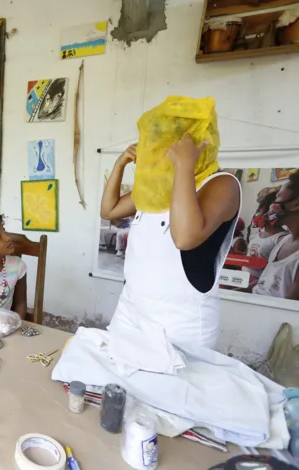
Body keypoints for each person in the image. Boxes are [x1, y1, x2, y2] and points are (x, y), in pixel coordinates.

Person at [100, 101, 241, 350]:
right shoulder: (155, 188)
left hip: (181, 323)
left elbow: (185, 238)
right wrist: (119, 165)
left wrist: (184, 165)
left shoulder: (222, 184)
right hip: (131, 309)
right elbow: (109, 211)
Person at [253, 171, 299, 300]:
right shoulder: (284, 241)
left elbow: (289, 309)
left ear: (296, 204)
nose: (272, 207)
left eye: (278, 197)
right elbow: (264, 283)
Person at [243, 191, 288, 283]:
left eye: (261, 209)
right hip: (242, 280)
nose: (258, 214)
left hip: (256, 286)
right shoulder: (257, 236)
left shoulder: (281, 239)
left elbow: (275, 273)